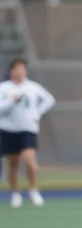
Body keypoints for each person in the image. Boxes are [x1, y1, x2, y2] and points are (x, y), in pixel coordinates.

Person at [0, 59, 55, 209]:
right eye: (17, 69)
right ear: (11, 71)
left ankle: (33, 190)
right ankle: (16, 193)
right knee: (13, 163)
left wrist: (37, 113)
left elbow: (49, 100)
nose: (20, 72)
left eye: (23, 69)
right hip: (8, 129)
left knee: (29, 159)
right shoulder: (4, 88)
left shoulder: (33, 87)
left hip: (27, 129)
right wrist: (12, 101)